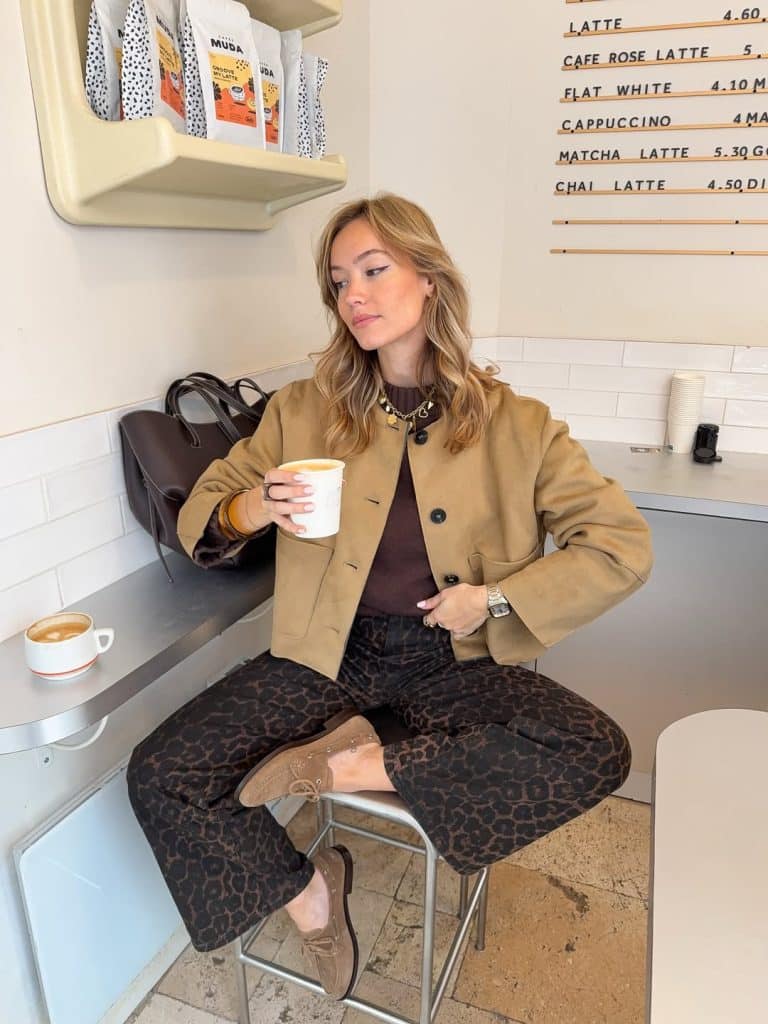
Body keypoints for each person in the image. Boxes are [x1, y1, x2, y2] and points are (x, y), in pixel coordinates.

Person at [127, 192, 653, 1001]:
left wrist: (498, 600)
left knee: (595, 748)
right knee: (161, 772)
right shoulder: (303, 409)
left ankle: (350, 764)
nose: (355, 296)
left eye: (374, 271)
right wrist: (254, 505)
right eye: (339, 282)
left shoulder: (519, 425)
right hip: (327, 653)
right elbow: (206, 510)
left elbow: (619, 546)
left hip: (459, 661)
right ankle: (311, 891)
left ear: (430, 280)